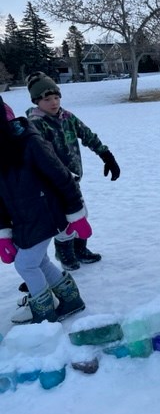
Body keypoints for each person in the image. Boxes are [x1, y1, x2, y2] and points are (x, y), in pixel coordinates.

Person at [0, 97, 88, 324]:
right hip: (24, 220)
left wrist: (76, 213)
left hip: (47, 213)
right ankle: (71, 299)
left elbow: (61, 176)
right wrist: (3, 233)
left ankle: (44, 313)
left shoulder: (29, 142)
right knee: (39, 262)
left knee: (26, 264)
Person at [25, 71, 121, 271]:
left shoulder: (67, 117)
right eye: (47, 99)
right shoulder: (35, 124)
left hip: (72, 180)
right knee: (64, 220)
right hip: (52, 183)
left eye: (56, 97)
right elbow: (37, 157)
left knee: (81, 213)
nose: (54, 102)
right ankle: (64, 253)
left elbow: (87, 135)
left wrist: (106, 156)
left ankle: (80, 249)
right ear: (36, 101)